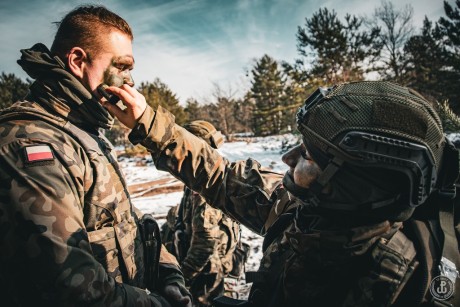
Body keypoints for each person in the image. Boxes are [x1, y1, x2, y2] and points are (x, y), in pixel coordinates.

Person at [104, 80, 460, 306]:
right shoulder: (308, 207)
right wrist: (147, 122)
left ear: (349, 184)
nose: (288, 159)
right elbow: (219, 175)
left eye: (307, 156)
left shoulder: (403, 285)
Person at [0, 5, 191, 307]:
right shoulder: (29, 143)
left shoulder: (82, 133)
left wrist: (168, 275)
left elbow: (125, 218)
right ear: (77, 60)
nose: (130, 81)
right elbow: (71, 285)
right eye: (123, 66)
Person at [161, 120, 247, 306]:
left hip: (209, 274)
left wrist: (182, 277)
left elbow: (205, 244)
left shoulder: (203, 190)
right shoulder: (204, 180)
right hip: (212, 267)